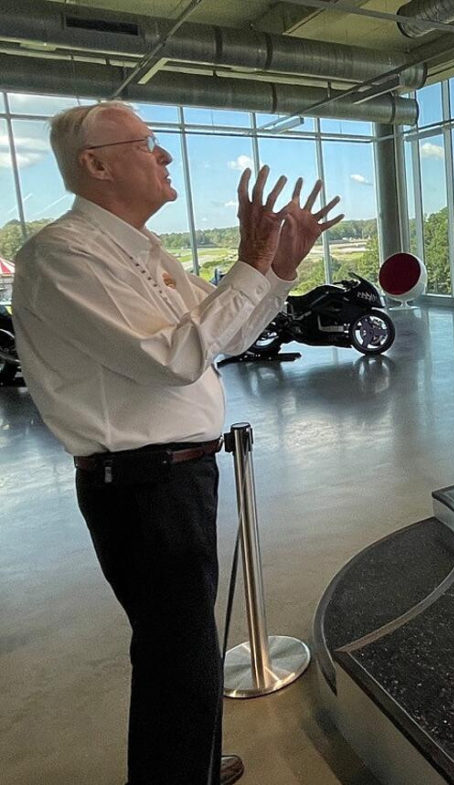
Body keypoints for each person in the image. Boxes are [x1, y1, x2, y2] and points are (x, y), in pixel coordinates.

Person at [13, 102, 342, 785]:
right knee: (176, 655)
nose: (164, 158)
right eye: (148, 144)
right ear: (95, 165)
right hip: (138, 482)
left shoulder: (146, 253)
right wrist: (253, 260)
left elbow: (227, 336)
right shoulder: (62, 255)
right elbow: (173, 358)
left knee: (184, 652)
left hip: (176, 476)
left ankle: (185, 763)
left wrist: (279, 270)